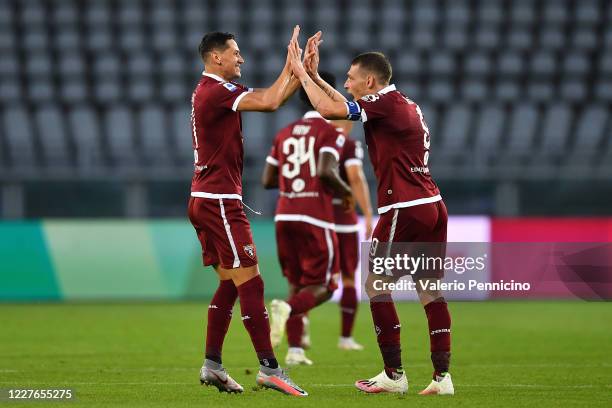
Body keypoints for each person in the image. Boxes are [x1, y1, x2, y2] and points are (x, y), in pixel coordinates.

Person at [286, 29, 454, 395]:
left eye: (350, 77)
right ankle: (443, 379)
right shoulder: (404, 103)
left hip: (403, 207)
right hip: (432, 205)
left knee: (376, 287)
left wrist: (300, 74)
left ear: (371, 81)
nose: (345, 83)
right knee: (429, 291)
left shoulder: (382, 103)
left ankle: (394, 375)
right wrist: (314, 77)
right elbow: (340, 110)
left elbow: (331, 112)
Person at [188, 27, 308, 396]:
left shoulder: (212, 92)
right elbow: (271, 101)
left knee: (229, 284)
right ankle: (270, 369)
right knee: (251, 282)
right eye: (235, 53)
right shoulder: (216, 92)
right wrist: (294, 68)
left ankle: (212, 366)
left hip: (208, 198)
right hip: (220, 201)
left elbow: (275, 98)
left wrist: (298, 71)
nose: (241, 58)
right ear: (216, 57)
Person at [262, 68, 354, 366]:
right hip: (315, 216)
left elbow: (267, 179)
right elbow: (327, 172)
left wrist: (294, 182)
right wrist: (346, 192)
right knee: (326, 286)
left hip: (284, 215)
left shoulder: (284, 133)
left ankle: (295, 349)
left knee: (297, 283)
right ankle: (287, 309)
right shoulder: (332, 133)